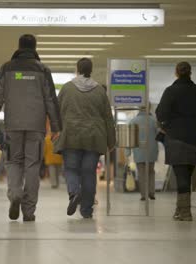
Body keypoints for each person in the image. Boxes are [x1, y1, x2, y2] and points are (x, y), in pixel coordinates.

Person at [0, 34, 62, 222]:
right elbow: (50, 99)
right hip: (36, 126)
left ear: (19, 46)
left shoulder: (7, 68)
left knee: (13, 162)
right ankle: (29, 211)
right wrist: (55, 126)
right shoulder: (43, 69)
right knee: (32, 166)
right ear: (35, 47)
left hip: (12, 126)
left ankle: (15, 194)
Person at [54, 58, 115, 218]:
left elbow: (57, 112)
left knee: (71, 169)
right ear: (91, 70)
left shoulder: (67, 88)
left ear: (77, 69)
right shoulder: (100, 90)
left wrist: (55, 131)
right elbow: (108, 118)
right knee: (88, 173)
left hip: (71, 135)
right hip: (94, 137)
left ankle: (74, 192)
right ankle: (86, 210)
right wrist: (111, 141)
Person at [156, 61, 196, 222]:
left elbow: (161, 114)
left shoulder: (171, 91)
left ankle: (185, 211)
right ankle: (180, 209)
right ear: (190, 72)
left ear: (176, 73)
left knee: (181, 176)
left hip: (176, 138)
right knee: (186, 174)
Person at [128, 105, 159, 201]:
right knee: (151, 172)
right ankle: (152, 193)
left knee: (141, 173)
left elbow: (130, 138)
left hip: (139, 151)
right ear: (149, 108)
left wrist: (127, 151)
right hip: (152, 150)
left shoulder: (133, 121)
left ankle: (143, 195)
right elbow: (159, 134)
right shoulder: (153, 121)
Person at [44, 119, 63, 188]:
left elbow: (45, 149)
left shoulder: (47, 139)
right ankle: (57, 182)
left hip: (50, 158)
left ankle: (53, 183)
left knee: (52, 171)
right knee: (58, 171)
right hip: (58, 158)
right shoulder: (59, 138)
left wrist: (44, 156)